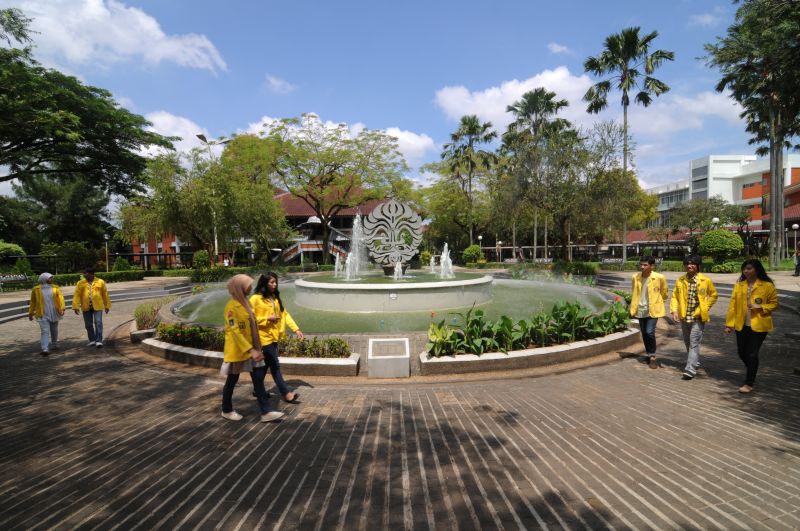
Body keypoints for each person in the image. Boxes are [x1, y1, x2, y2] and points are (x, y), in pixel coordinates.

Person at [221, 274, 284, 422]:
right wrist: (251, 350)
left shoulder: (246, 303)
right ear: (240, 288)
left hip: (253, 351)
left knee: (258, 379)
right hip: (239, 351)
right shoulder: (231, 308)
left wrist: (257, 348)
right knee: (232, 380)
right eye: (248, 285)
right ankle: (226, 409)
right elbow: (234, 331)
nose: (250, 287)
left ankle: (266, 412)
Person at [724, 259, 779, 394]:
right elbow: (732, 306)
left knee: (752, 353)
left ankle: (749, 382)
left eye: (749, 268)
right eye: (744, 269)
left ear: (757, 269)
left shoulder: (767, 286)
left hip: (759, 325)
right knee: (742, 352)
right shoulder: (739, 285)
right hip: (741, 325)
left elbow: (774, 304)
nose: (746, 271)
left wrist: (760, 307)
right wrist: (729, 324)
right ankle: (752, 370)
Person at [250, 272, 304, 403]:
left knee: (266, 365)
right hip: (263, 337)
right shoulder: (255, 299)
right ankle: (286, 393)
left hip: (274, 337)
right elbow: (249, 319)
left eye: (275, 282)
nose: (275, 284)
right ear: (264, 283)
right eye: (272, 282)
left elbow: (284, 314)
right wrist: (266, 318)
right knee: (275, 365)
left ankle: (258, 389)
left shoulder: (274, 297)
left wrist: (296, 329)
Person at [670, 255, 718, 380]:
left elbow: (713, 295)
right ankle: (694, 361)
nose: (689, 265)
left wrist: (705, 307)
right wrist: (674, 310)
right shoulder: (680, 280)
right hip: (684, 316)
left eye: (692, 263)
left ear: (697, 265)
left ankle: (690, 369)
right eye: (687, 263)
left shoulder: (705, 280)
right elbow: (674, 296)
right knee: (687, 342)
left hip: (698, 317)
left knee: (694, 342)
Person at [629, 256, 668, 369]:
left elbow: (664, 292)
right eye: (641, 264)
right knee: (644, 333)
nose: (642, 267)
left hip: (653, 309)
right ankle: (648, 353)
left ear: (652, 266)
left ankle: (652, 357)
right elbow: (634, 292)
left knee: (650, 332)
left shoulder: (659, 277)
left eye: (645, 265)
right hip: (640, 308)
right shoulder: (635, 277)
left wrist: (659, 301)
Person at [28, 272, 65, 356]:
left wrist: (62, 308)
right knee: (44, 331)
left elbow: (61, 298)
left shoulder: (56, 287)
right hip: (42, 313)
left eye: (52, 278)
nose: (52, 279)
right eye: (50, 278)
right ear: (44, 279)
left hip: (54, 312)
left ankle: (54, 343)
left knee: (54, 329)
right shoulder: (36, 289)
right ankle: (45, 349)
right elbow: (33, 301)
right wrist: (30, 313)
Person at [72, 268, 111, 347]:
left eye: (85, 273)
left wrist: (107, 305)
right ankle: (92, 340)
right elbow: (77, 295)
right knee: (88, 324)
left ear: (91, 274)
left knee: (98, 323)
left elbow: (105, 294)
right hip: (86, 306)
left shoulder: (100, 282)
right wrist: (75, 306)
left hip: (98, 306)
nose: (83, 275)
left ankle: (99, 340)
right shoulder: (80, 283)